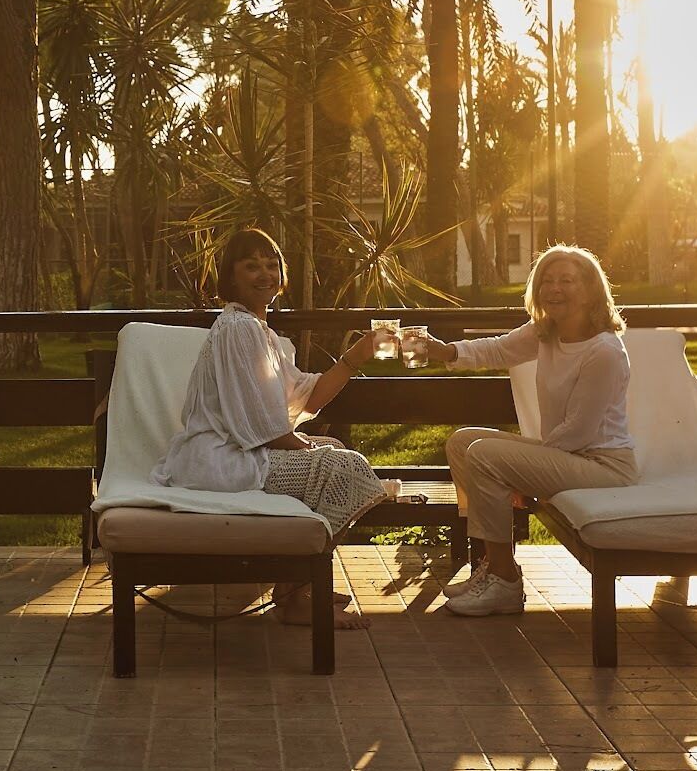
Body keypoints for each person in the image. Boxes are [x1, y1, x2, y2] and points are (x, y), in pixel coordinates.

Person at [151, 227, 399, 628]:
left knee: (332, 449)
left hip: (242, 451)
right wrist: (304, 447)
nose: (264, 273)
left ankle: (296, 585)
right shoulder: (239, 329)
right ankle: (298, 595)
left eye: (271, 265)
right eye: (251, 266)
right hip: (222, 460)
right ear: (231, 277)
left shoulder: (261, 333)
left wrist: (359, 353)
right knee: (342, 468)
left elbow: (308, 396)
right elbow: (258, 423)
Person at [406, 245, 637, 618]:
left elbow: (578, 433)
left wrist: (523, 474)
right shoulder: (547, 332)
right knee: (464, 443)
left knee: (485, 455)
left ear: (591, 290)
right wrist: (443, 351)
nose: (554, 288)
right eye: (547, 280)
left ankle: (504, 583)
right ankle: (499, 567)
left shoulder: (604, 351)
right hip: (568, 456)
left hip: (604, 469)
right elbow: (497, 351)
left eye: (566, 280)